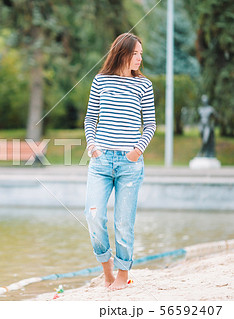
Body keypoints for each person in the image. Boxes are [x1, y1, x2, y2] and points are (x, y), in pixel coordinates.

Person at [84, 33, 156, 290]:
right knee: (93, 216)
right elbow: (90, 118)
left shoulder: (144, 86)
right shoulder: (100, 81)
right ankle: (107, 272)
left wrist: (136, 151)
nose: (139, 58)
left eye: (141, 54)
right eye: (135, 53)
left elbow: (150, 124)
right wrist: (91, 145)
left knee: (124, 222)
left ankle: (124, 275)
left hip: (130, 165)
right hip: (101, 163)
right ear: (122, 53)